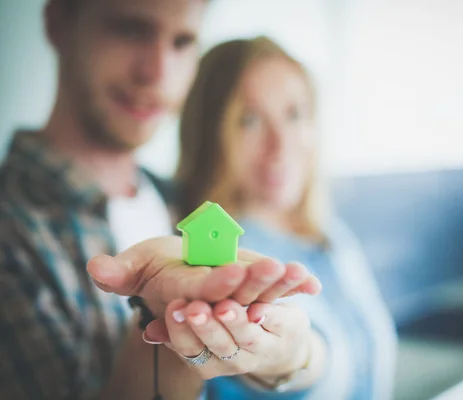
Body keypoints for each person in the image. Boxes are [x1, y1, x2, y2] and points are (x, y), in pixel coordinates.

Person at [0, 1, 325, 399]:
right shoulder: (11, 235)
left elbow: (304, 348)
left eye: (183, 41)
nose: (156, 73)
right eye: (129, 29)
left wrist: (294, 357)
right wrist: (164, 321)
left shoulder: (191, 201)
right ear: (59, 23)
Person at [175, 36, 398, 400]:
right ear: (210, 132)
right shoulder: (213, 255)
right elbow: (282, 362)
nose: (280, 144)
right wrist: (297, 359)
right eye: (249, 120)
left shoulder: (329, 236)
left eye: (294, 114)